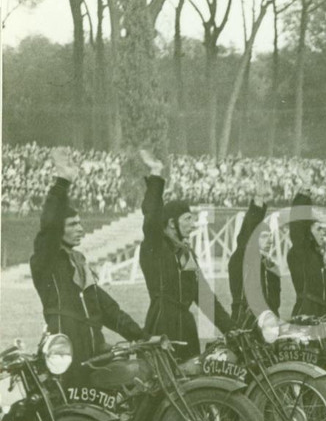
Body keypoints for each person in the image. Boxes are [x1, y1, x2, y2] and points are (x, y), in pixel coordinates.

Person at [30, 148, 146, 381]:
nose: (80, 229)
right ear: (58, 229)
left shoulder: (79, 262)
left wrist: (141, 336)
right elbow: (48, 225)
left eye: (80, 223)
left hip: (94, 352)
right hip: (65, 356)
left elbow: (107, 309)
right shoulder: (46, 260)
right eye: (73, 224)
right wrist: (62, 182)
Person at [139, 150, 232, 361]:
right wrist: (156, 176)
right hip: (161, 326)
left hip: (187, 328)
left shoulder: (187, 253)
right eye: (188, 219)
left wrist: (230, 328)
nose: (193, 224)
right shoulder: (155, 246)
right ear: (172, 223)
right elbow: (152, 217)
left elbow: (205, 297)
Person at [229, 180, 280, 330]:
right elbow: (246, 235)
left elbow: (275, 303)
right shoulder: (241, 259)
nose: (269, 241)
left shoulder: (270, 266)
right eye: (264, 237)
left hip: (268, 326)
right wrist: (258, 202)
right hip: (244, 323)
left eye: (270, 237)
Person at [287, 191, 326, 317]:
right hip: (306, 313)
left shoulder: (317, 256)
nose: (323, 233)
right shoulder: (302, 252)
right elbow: (297, 226)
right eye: (318, 229)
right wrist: (304, 196)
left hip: (322, 313)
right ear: (308, 233)